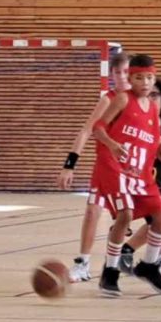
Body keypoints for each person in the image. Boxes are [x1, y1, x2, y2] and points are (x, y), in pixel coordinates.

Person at [87, 55, 161, 298]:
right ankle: (110, 271)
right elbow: (97, 128)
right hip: (113, 167)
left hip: (139, 171)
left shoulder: (152, 109)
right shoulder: (123, 99)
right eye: (139, 78)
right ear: (130, 79)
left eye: (149, 78)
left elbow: (151, 140)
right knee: (126, 214)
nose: (145, 82)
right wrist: (112, 144)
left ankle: (149, 265)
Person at [57, 51, 131, 283]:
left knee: (153, 214)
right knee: (92, 211)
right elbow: (86, 131)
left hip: (135, 166)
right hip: (107, 165)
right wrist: (69, 165)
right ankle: (83, 263)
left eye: (126, 72)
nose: (122, 77)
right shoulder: (108, 100)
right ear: (111, 75)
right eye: (117, 73)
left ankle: (158, 257)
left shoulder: (143, 100)